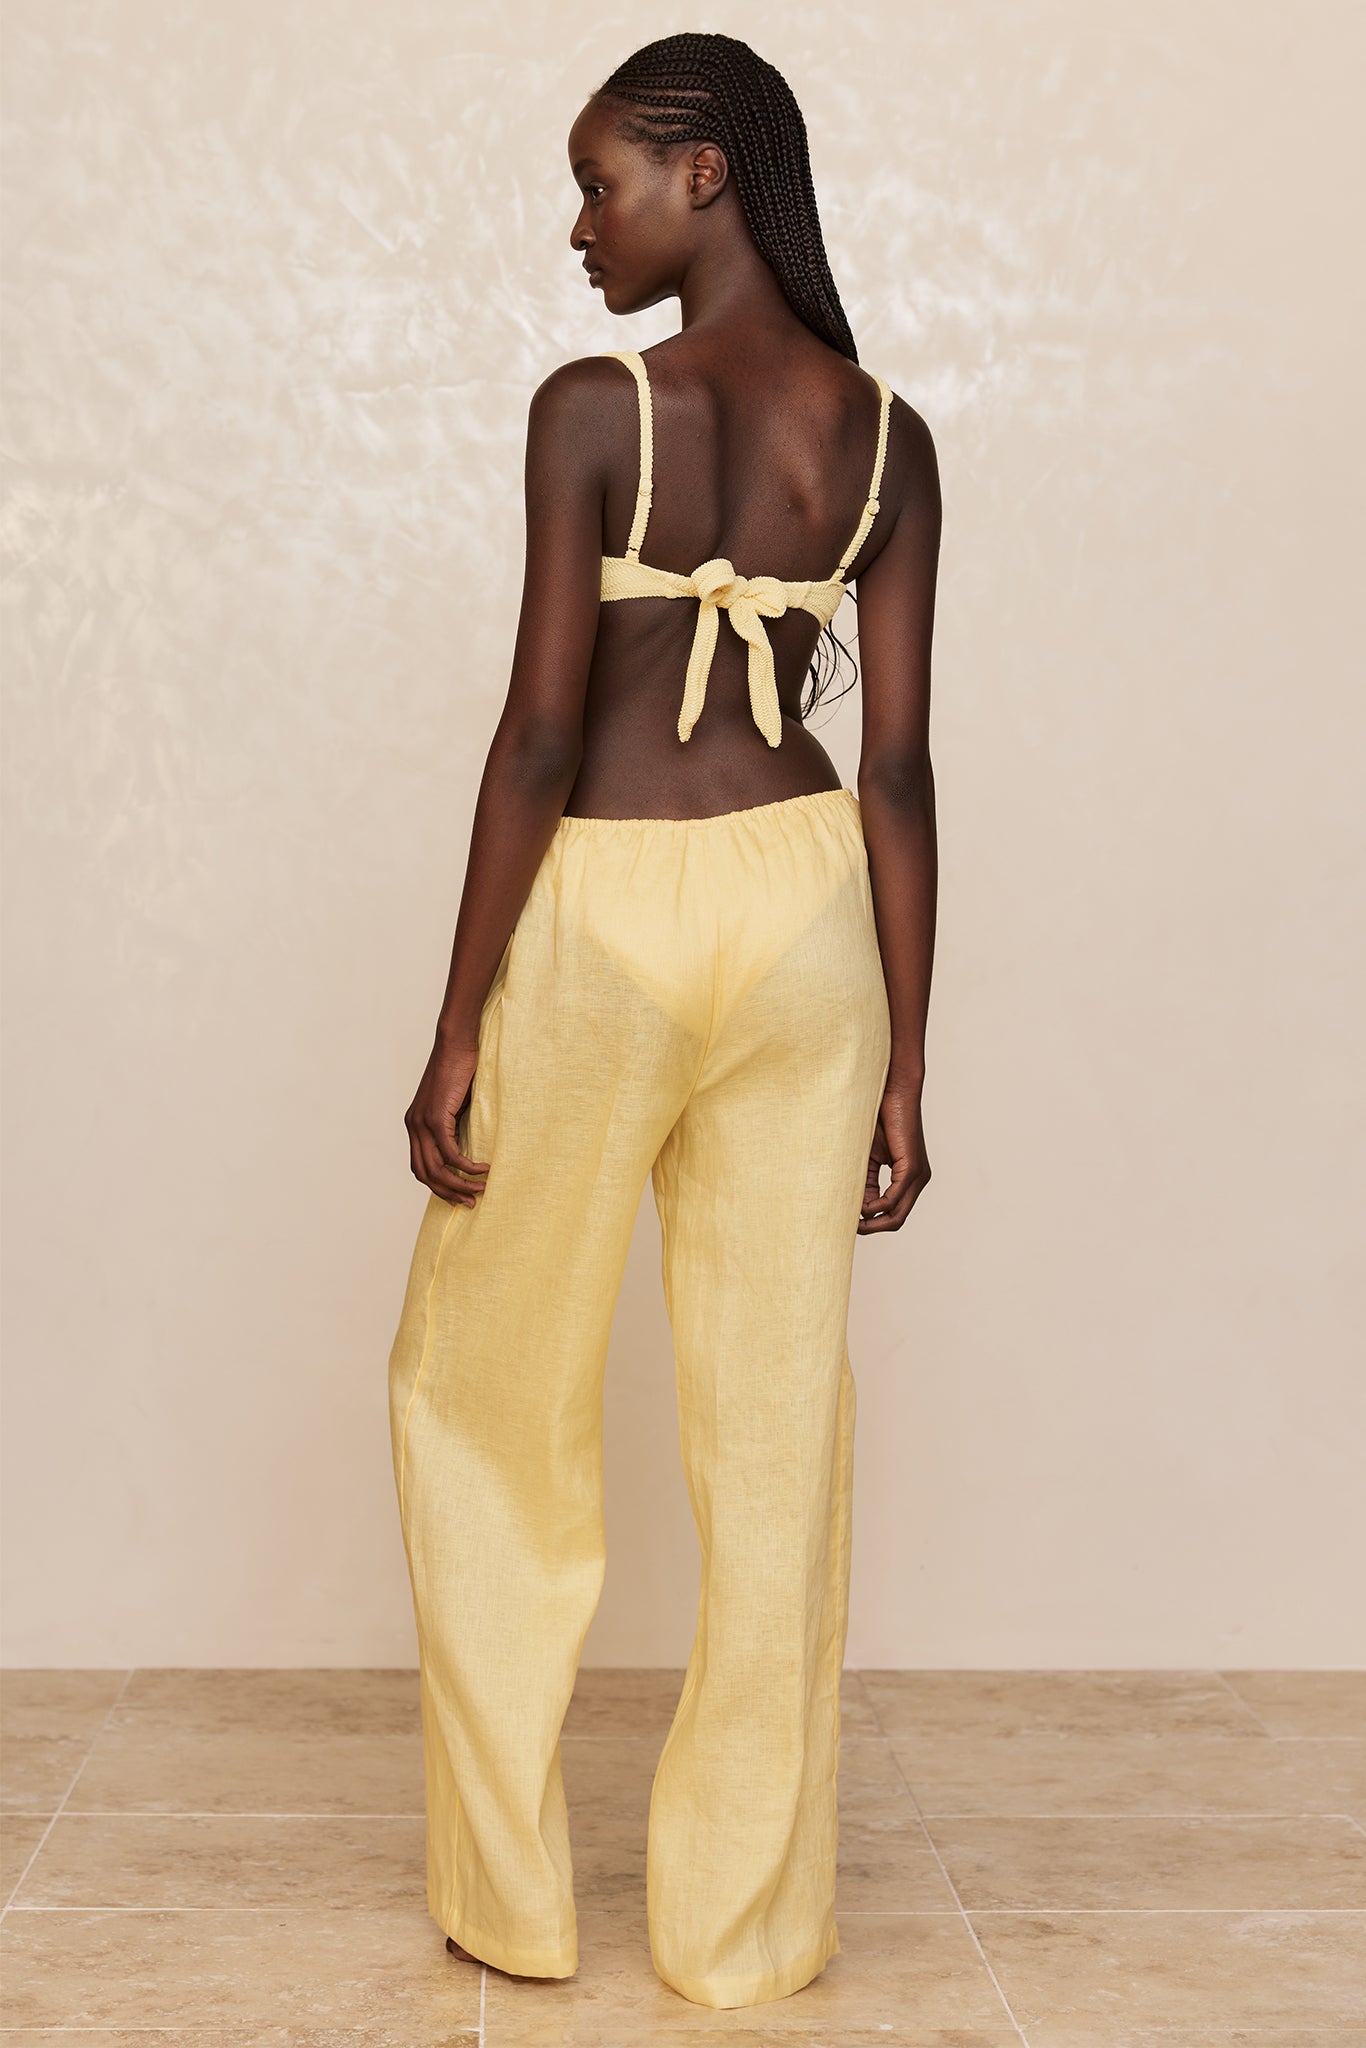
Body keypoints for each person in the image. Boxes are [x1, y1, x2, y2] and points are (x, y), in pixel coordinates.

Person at [387, 30, 940, 2013]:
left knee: (481, 1388)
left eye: (601, 180)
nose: (578, 222)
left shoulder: (589, 410)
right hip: (806, 930)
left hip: (611, 912)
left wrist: (458, 1019)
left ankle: (514, 1899)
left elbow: (540, 732)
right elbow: (891, 777)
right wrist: (906, 1056)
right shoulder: (880, 436)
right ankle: (741, 1929)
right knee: (778, 1433)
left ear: (703, 174)